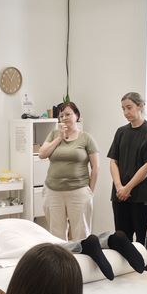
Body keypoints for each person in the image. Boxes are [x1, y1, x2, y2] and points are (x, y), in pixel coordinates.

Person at [0, 217, 146, 279]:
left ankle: (84, 246)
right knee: (53, 241)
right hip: (20, 224)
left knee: (38, 250)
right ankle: (109, 239)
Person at [108, 92, 147, 246]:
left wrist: (128, 188)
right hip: (120, 195)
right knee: (121, 239)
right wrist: (119, 187)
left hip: (142, 195)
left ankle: (144, 264)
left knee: (143, 242)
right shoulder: (121, 132)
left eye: (129, 107)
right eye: (123, 109)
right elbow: (113, 161)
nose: (126, 112)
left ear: (141, 106)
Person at [39, 102, 99, 240]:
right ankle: (61, 256)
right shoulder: (54, 134)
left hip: (78, 191)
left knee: (81, 234)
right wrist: (59, 138)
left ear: (76, 116)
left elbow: (96, 167)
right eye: (61, 116)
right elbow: (42, 154)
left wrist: (90, 191)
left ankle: (81, 256)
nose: (64, 118)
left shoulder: (86, 138)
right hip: (53, 191)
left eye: (68, 114)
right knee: (56, 235)